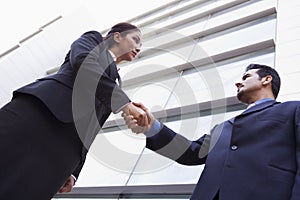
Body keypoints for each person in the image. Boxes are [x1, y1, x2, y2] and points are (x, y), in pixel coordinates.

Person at [0, 22, 149, 200]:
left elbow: (94, 127)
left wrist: (74, 171)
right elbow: (83, 63)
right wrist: (125, 103)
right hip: (40, 114)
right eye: (136, 39)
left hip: (66, 148)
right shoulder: (93, 40)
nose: (139, 48)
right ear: (117, 36)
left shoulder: (117, 81)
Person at [123, 64, 300, 200]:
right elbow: (190, 153)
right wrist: (151, 126)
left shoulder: (293, 109)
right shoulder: (223, 127)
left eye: (246, 77)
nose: (238, 82)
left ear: (266, 80)